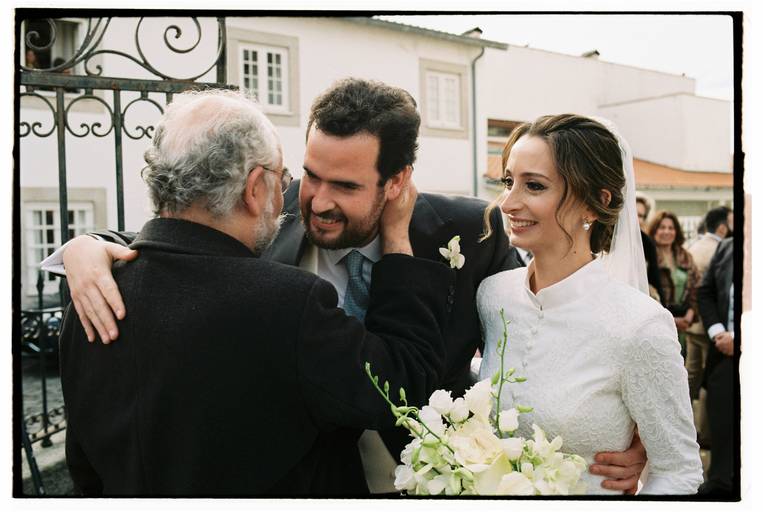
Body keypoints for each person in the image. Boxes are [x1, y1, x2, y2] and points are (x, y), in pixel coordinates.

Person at [44, 79, 648, 494]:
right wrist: (85, 248)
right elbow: (182, 242)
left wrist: (622, 421)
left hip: (427, 484)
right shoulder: (266, 213)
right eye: (310, 174)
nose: (317, 200)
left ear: (397, 180)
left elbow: (542, 334)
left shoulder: (473, 231)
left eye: (346, 186)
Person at [59, 89, 455, 496]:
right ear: (253, 189)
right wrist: (398, 244)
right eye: (284, 180)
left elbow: (84, 465)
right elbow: (402, 383)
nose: (296, 199)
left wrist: (83, 244)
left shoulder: (91, 297)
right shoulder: (287, 303)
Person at [477, 114, 703, 494]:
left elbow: (679, 472)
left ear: (596, 203)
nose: (507, 202)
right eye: (508, 182)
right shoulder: (492, 296)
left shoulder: (639, 326)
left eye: (534, 186)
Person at [686, 206, 732, 446]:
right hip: (711, 330)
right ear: (722, 227)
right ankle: (704, 432)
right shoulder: (719, 248)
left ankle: (688, 427)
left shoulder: (694, 246)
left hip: (693, 326)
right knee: (708, 379)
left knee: (691, 375)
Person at [697, 237, 736, 498]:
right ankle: (721, 481)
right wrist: (718, 331)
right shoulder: (727, 246)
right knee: (721, 417)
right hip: (724, 353)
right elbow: (705, 292)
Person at [649, 211, 702, 356]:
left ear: (676, 231)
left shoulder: (685, 256)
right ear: (654, 231)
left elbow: (697, 286)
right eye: (662, 227)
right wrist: (671, 320)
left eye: (671, 228)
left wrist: (691, 313)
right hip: (657, 327)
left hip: (683, 325)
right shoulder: (647, 258)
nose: (667, 231)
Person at [635, 195, 664, 303]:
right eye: (633, 213)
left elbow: (654, 279)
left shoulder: (647, 244)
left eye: (640, 215)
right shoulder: (608, 239)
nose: (636, 218)